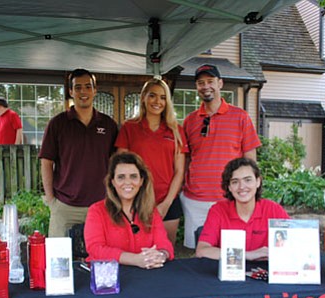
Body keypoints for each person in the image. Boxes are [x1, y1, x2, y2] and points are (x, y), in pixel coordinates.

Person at [181, 64, 261, 249]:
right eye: (200, 83)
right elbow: (185, 159)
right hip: (195, 199)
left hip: (229, 198)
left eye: (210, 81)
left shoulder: (240, 117)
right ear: (197, 87)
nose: (205, 86)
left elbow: (250, 159)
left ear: (220, 83)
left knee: (231, 252)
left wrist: (249, 188)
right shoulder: (190, 121)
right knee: (199, 253)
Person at [39, 68, 119, 237]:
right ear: (70, 91)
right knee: (59, 260)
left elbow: (116, 163)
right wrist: (51, 200)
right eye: (78, 87)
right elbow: (46, 162)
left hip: (101, 205)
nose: (83, 92)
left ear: (95, 90)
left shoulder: (108, 125)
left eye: (88, 87)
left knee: (100, 260)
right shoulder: (58, 124)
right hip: (65, 206)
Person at [116, 78, 188, 243]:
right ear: (143, 98)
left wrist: (166, 203)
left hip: (167, 200)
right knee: (138, 250)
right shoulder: (130, 127)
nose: (158, 101)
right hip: (136, 200)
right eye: (152, 96)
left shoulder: (176, 130)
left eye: (163, 97)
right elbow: (120, 167)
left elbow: (179, 171)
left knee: (166, 252)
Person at [84, 152, 174, 269]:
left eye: (133, 176)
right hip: (108, 277)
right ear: (113, 182)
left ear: (141, 181)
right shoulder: (97, 211)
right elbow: (95, 249)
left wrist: (161, 255)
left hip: (144, 274)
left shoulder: (151, 211)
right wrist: (135, 259)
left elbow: (164, 244)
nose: (127, 182)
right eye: (121, 177)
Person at [195, 157, 289, 261]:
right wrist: (247, 255)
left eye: (248, 180)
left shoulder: (274, 210)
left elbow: (295, 245)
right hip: (229, 274)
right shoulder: (218, 210)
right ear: (229, 187)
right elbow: (202, 251)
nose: (242, 187)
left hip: (265, 273)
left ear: (258, 182)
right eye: (235, 182)